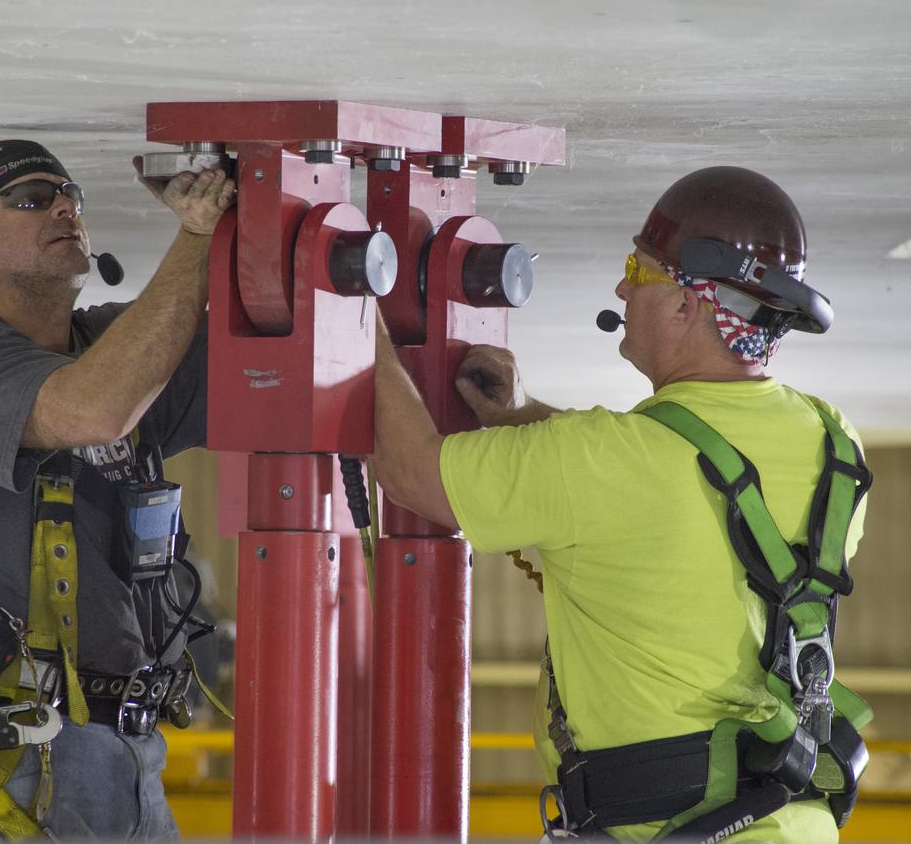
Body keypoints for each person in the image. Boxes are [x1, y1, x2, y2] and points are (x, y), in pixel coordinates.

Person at [373, 166, 872, 842]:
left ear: (685, 306)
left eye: (637, 272)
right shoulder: (832, 441)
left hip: (669, 824)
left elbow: (410, 474)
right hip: (788, 817)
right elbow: (668, 489)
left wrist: (354, 317)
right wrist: (524, 417)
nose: (620, 287)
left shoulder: (606, 462)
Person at [0, 139, 235, 841]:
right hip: (3, 765)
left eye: (69, 195)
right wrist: (194, 234)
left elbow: (268, 349)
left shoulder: (110, 346)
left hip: (125, 753)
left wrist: (233, 220)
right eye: (33, 199)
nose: (65, 207)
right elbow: (89, 411)